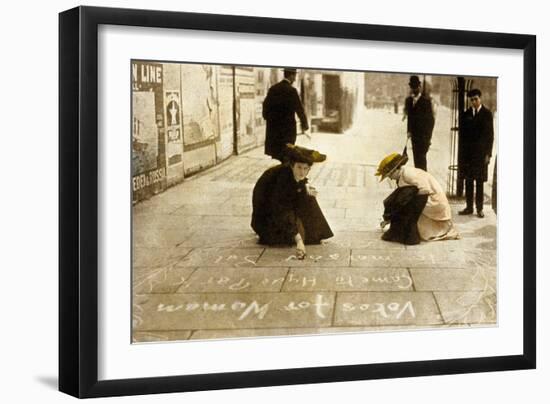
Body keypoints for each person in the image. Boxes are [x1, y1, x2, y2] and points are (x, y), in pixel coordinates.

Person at [251, 144, 333, 259]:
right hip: (267, 215)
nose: (302, 172)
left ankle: (311, 233)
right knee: (290, 237)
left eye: (305, 169)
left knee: (309, 196)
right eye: (299, 167)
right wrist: (298, 240)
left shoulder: (293, 174)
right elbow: (283, 210)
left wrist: (306, 186)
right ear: (292, 166)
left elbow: (300, 182)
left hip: (279, 205)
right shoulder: (282, 179)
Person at [376, 152, 459, 245]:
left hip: (434, 201)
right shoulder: (402, 174)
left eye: (390, 175)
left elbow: (425, 190)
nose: (390, 178)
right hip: (425, 198)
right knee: (400, 200)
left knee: (404, 204)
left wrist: (406, 205)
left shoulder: (408, 173)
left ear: (395, 170)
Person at [458, 88, 494, 218]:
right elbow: (462, 137)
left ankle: (479, 208)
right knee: (468, 181)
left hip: (481, 155)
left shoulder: (487, 114)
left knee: (479, 182)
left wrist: (488, 154)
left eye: (476, 99)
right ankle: (469, 207)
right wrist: (461, 156)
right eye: (471, 100)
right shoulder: (466, 114)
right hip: (468, 155)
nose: (474, 102)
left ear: (480, 98)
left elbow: (490, 136)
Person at [262, 68, 309, 162]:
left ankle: (283, 169)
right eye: (294, 76)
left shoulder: (273, 89)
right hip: (288, 129)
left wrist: (268, 118)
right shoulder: (292, 91)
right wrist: (304, 125)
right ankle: (285, 172)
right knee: (287, 152)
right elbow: (299, 109)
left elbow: (265, 105)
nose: (295, 79)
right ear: (291, 76)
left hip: (274, 129)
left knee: (278, 152)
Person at [403, 75, 435, 171]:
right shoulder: (409, 101)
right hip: (414, 137)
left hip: (423, 138)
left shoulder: (426, 102)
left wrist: (428, 139)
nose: (414, 89)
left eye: (416, 87)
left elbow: (431, 121)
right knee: (416, 162)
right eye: (412, 87)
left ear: (419, 87)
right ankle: (419, 182)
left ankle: (424, 183)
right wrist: (409, 131)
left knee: (422, 162)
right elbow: (410, 118)